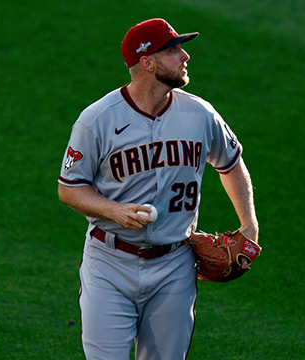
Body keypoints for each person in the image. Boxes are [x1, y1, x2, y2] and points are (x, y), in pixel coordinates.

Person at [57, 18, 259, 360]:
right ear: (147, 63)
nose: (185, 56)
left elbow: (231, 163)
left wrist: (249, 226)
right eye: (173, 50)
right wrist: (114, 210)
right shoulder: (97, 119)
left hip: (175, 265)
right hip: (109, 264)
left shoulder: (200, 114)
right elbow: (70, 188)